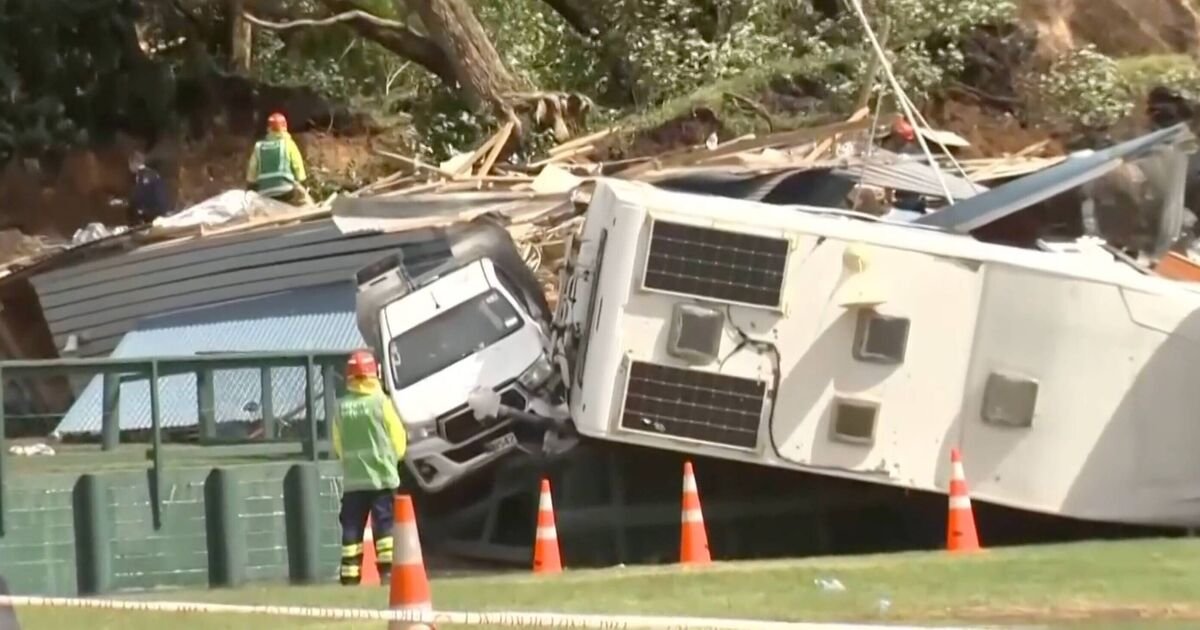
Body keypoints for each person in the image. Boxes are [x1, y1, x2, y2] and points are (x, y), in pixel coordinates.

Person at [333, 349, 407, 586]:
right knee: (385, 527)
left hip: (353, 482)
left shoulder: (341, 407)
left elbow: (338, 444)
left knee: (351, 529)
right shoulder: (381, 403)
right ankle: (388, 575)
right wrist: (393, 460)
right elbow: (398, 438)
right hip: (382, 479)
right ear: (374, 373)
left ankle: (349, 577)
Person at [245, 112, 313, 206]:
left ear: (268, 129)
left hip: (264, 192)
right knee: (304, 202)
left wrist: (251, 185)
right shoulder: (288, 144)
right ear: (285, 128)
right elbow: (297, 166)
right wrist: (302, 181)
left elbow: (252, 169)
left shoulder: (259, 146)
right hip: (286, 190)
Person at [127, 152, 171, 226]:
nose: (129, 167)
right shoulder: (152, 172)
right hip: (159, 210)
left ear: (134, 163)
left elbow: (141, 194)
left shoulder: (141, 176)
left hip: (151, 213)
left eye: (129, 164)